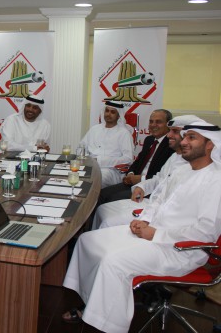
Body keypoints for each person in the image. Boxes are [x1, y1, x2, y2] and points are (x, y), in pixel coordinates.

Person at [62, 121, 221, 333]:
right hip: (153, 233)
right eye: (185, 137)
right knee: (87, 240)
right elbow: (157, 201)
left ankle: (110, 325)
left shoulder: (216, 181)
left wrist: (156, 234)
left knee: (113, 262)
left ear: (210, 144)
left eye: (192, 138)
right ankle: (93, 304)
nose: (184, 142)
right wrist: (144, 220)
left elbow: (206, 232)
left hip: (181, 249)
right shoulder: (183, 171)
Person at [92, 115, 202, 229]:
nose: (169, 135)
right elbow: (159, 178)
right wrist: (142, 187)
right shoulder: (175, 156)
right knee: (102, 207)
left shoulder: (195, 167)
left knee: (109, 220)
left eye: (175, 131)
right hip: (152, 200)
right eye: (170, 131)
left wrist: (149, 215)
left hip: (164, 212)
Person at [98, 109, 174, 204]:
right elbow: (137, 162)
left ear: (168, 124)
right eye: (151, 122)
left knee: (111, 199)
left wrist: (141, 178)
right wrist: (130, 174)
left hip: (150, 188)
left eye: (158, 122)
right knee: (101, 194)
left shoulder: (171, 145)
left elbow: (165, 176)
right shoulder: (149, 140)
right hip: (134, 182)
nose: (153, 125)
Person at [79, 101, 134, 188]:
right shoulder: (94, 129)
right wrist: (86, 158)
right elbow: (81, 147)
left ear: (118, 115)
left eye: (113, 112)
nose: (108, 114)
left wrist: (100, 161)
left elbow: (128, 158)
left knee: (94, 179)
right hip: (89, 165)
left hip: (111, 170)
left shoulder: (124, 133)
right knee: (73, 175)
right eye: (107, 111)